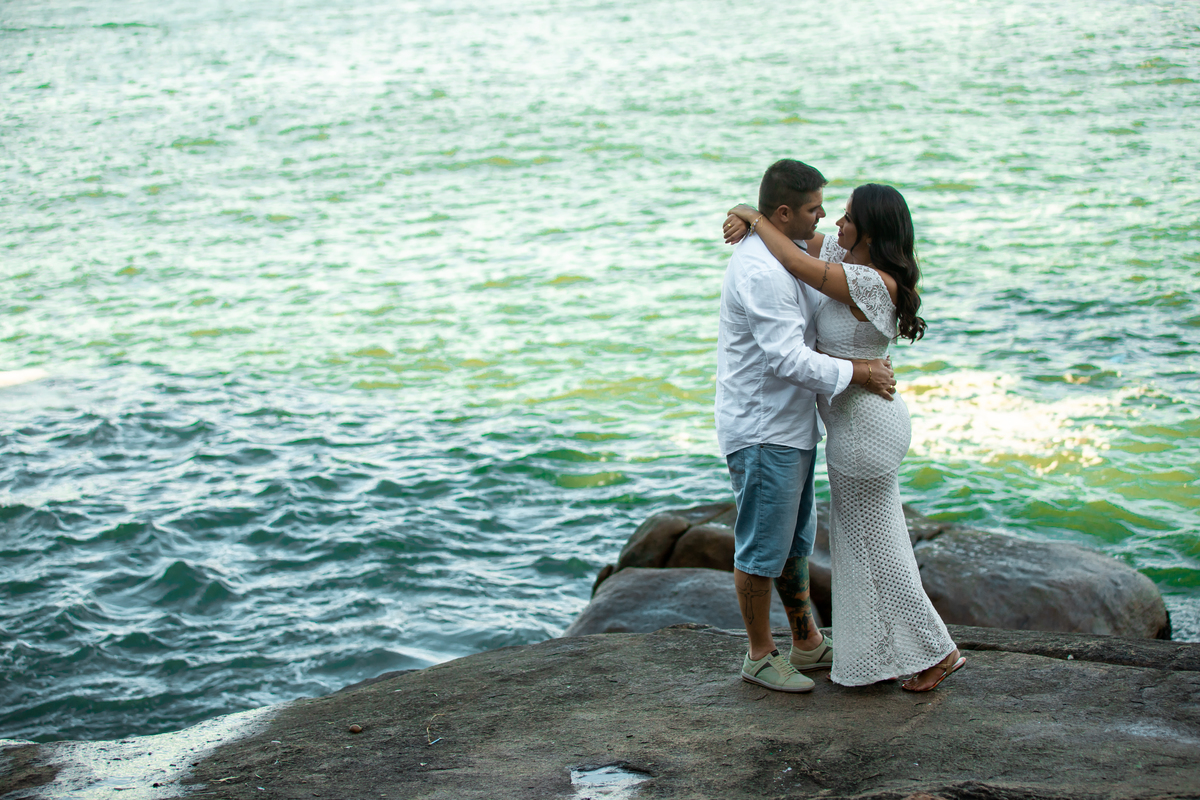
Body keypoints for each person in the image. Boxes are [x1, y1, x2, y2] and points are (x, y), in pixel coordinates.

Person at [723, 183, 966, 692]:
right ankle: (878, 653)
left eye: (847, 216)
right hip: (859, 423)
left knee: (879, 548)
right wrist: (753, 219)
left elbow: (795, 260)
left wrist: (750, 212)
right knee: (860, 548)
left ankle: (935, 650)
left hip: (863, 429)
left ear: (870, 230)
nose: (834, 222)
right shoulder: (845, 254)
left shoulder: (872, 282)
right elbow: (794, 241)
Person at [715, 160, 897, 693]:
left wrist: (746, 213)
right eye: (815, 208)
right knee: (760, 548)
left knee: (795, 542)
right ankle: (758, 654)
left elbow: (818, 250)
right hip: (763, 427)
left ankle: (807, 642)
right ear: (786, 213)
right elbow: (786, 361)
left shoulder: (787, 254)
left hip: (791, 426)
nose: (823, 219)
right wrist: (861, 372)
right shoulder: (761, 271)